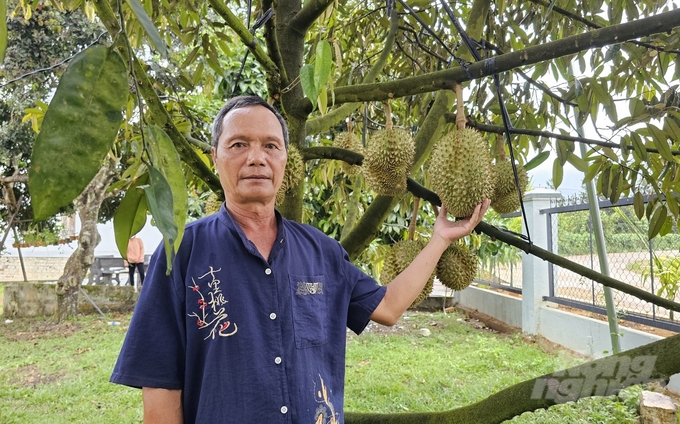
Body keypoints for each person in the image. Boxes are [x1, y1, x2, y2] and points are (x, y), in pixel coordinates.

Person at [110, 96, 490, 424]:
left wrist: (440, 238)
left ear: (285, 158)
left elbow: (388, 306)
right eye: (239, 144)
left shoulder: (321, 250)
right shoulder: (182, 251)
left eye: (271, 146)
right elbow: (159, 383)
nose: (256, 158)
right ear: (216, 156)